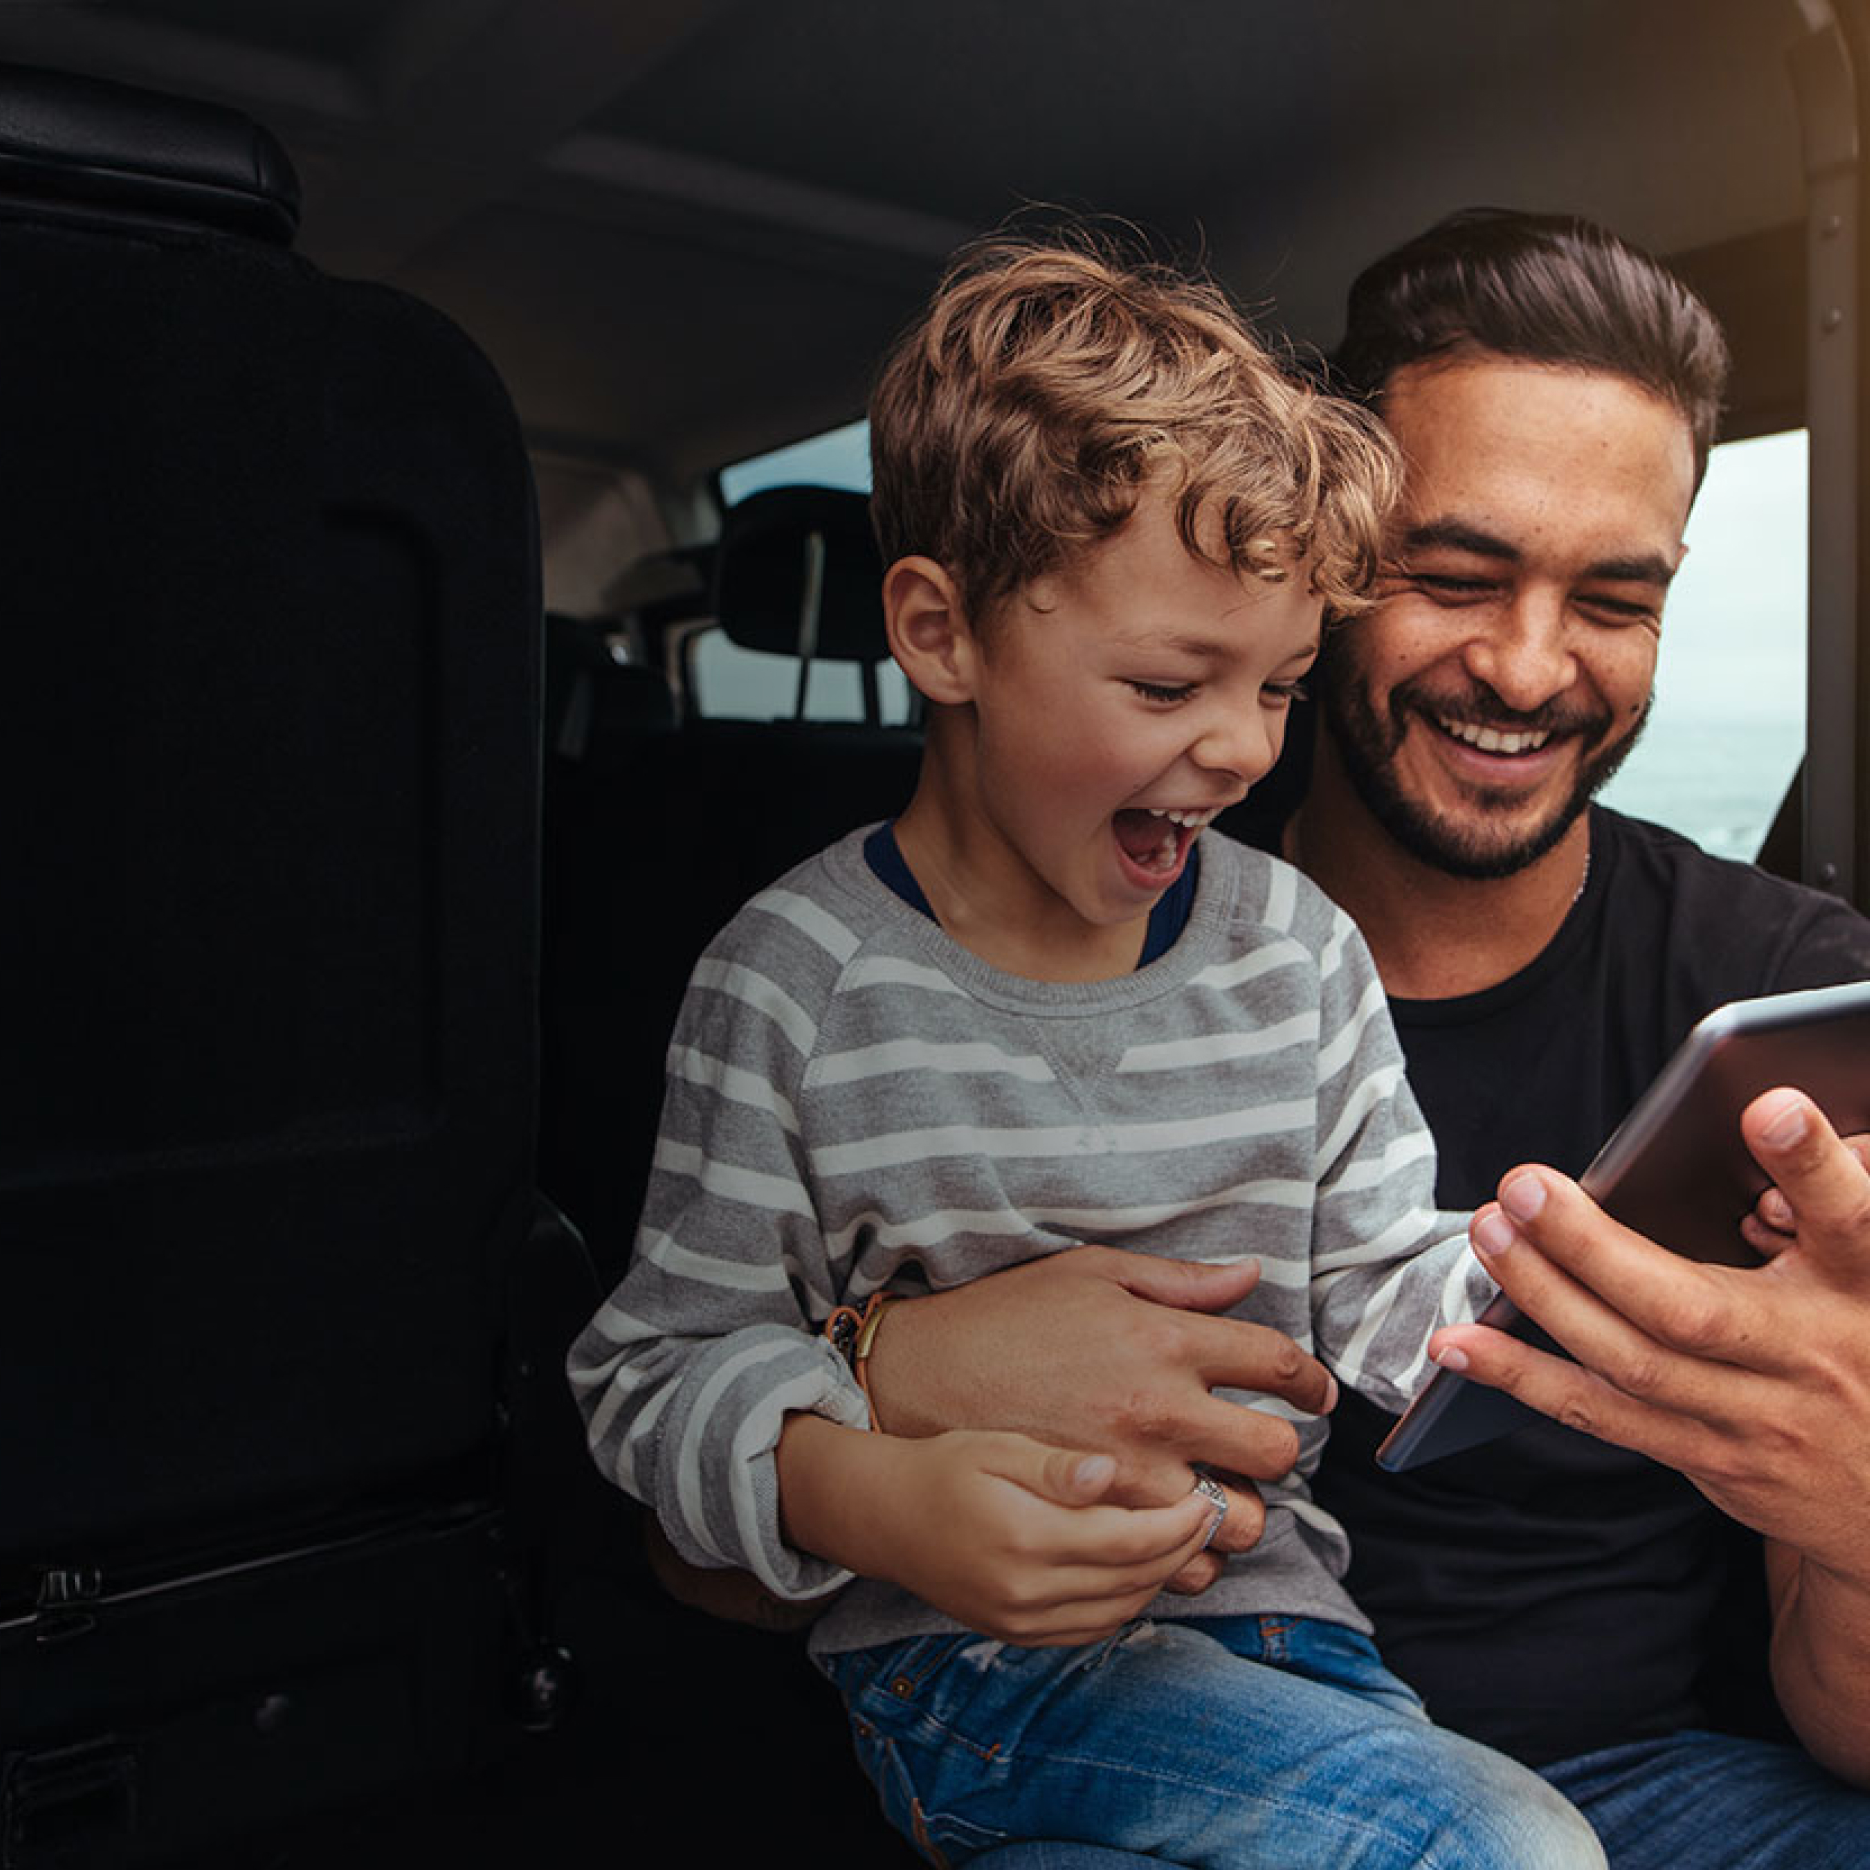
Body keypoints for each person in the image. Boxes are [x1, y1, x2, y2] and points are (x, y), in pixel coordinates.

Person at [852, 210, 1870, 1866]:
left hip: (1657, 1791)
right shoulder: (1033, 912)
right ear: (1327, 555)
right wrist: (882, 1366)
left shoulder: (1793, 1007)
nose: (1528, 667)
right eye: (1456, 576)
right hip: (1159, 1762)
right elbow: (690, 1547)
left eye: (1613, 597)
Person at [569, 234, 1609, 1868]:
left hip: (1295, 1641)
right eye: (1167, 682)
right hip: (974, 1668)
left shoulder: (1295, 951)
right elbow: (654, 1374)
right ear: (943, 633)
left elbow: (1381, 1281)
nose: (1241, 748)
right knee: (1505, 1848)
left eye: (1280, 687)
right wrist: (867, 1495)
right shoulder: (795, 983)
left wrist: (1559, 1277)